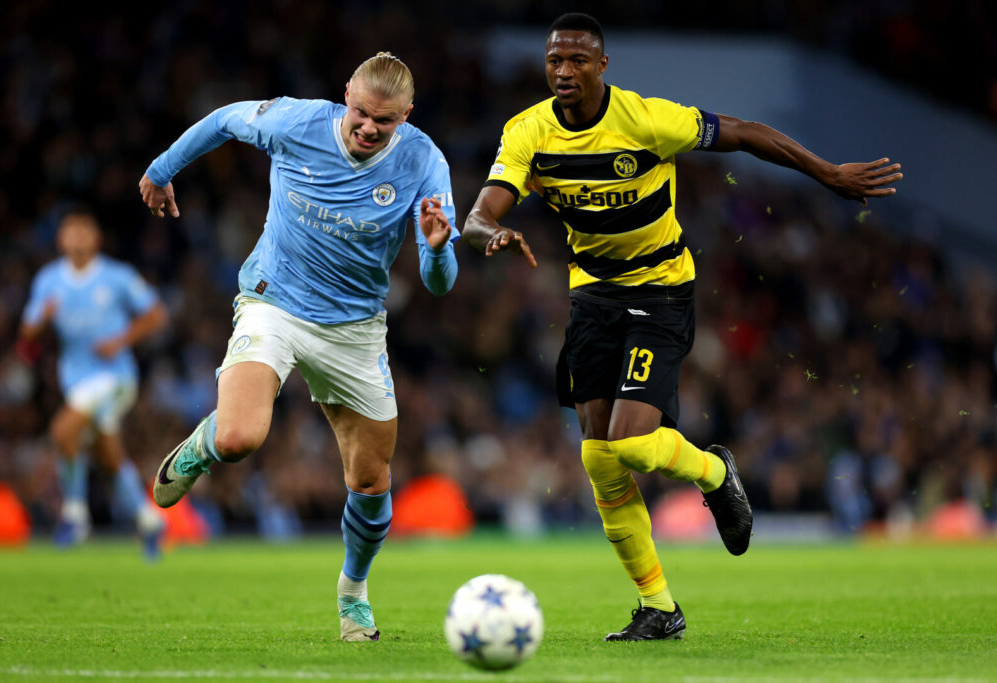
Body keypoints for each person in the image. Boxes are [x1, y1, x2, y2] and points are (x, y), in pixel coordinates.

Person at [463, 13, 903, 641]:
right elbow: (481, 211)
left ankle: (716, 474)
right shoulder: (528, 132)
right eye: (555, 60)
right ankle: (659, 608)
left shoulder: (646, 119)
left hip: (661, 289)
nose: (564, 71)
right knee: (599, 458)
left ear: (602, 66)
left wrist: (828, 173)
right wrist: (492, 232)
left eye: (578, 60)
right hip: (592, 296)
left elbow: (746, 134)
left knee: (636, 444)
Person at [138, 52, 458, 642]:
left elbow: (440, 283)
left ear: (406, 116)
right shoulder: (297, 122)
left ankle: (353, 592)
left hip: (355, 329)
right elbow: (224, 119)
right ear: (346, 96)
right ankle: (199, 446)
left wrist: (437, 249)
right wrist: (161, 170)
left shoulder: (423, 162)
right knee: (239, 438)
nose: (367, 128)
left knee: (371, 482)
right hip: (274, 301)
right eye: (361, 113)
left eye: (383, 122)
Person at [19, 206, 169, 559]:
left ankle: (74, 515)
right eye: (70, 231)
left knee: (62, 431)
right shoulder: (49, 280)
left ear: (96, 239)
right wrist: (44, 318)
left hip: (115, 378)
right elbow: (27, 333)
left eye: (83, 231)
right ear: (60, 239)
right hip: (75, 380)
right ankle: (149, 521)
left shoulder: (117, 276)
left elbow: (156, 313)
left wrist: (120, 340)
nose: (77, 237)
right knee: (108, 455)